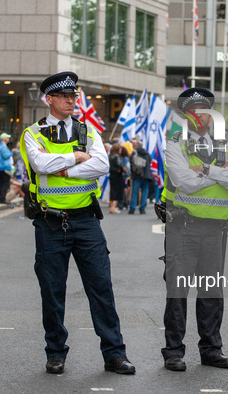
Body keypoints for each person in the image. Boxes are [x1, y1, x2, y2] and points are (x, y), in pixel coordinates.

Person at [19, 71, 134, 375]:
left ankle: (114, 354)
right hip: (49, 223)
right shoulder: (34, 133)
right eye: (65, 96)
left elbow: (101, 165)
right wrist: (76, 156)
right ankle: (56, 352)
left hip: (86, 222)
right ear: (50, 99)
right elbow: (39, 164)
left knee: (102, 289)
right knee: (52, 292)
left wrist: (65, 168)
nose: (72, 100)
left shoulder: (88, 130)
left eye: (74, 96)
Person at [162, 87, 228, 372]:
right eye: (195, 110)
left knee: (211, 292)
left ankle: (211, 349)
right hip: (184, 226)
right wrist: (220, 174)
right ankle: (174, 351)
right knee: (178, 292)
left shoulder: (222, 143)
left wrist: (206, 171)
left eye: (206, 111)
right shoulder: (176, 142)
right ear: (186, 114)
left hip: (216, 228)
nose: (202, 116)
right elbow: (184, 181)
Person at [129, 139, 151, 214]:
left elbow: (131, 163)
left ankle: (132, 208)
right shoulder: (147, 153)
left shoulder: (134, 153)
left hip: (137, 175)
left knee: (135, 192)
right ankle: (142, 209)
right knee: (144, 192)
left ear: (137, 146)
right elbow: (149, 163)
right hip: (146, 175)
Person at [0, 133, 14, 204]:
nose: (8, 139)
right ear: (4, 139)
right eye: (7, 137)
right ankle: (2, 198)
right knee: (5, 183)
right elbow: (6, 156)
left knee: (1, 183)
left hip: (1, 167)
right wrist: (12, 152)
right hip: (5, 166)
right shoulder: (3, 146)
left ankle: (0, 198)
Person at [108, 143, 124, 214]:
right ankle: (114, 207)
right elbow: (120, 165)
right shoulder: (117, 156)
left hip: (112, 175)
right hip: (118, 176)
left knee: (112, 191)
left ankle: (111, 206)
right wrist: (122, 170)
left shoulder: (110, 156)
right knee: (117, 191)